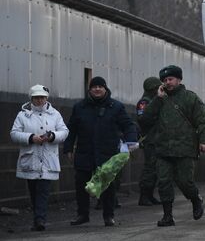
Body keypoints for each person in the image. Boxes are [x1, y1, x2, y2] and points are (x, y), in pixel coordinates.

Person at [140, 65, 205, 226]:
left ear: (179, 79)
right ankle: (168, 216)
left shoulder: (189, 98)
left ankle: (195, 199)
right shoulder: (158, 99)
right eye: (164, 80)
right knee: (164, 182)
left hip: (185, 148)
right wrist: (157, 99)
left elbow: (203, 121)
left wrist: (204, 141)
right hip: (163, 149)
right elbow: (144, 120)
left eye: (170, 79)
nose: (167, 82)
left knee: (185, 181)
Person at [63, 76, 138, 227]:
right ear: (89, 89)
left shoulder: (115, 106)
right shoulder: (80, 107)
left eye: (100, 87)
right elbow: (71, 130)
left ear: (105, 89)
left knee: (108, 186)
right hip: (85, 151)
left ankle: (108, 216)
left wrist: (131, 141)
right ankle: (83, 214)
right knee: (81, 184)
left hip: (107, 152)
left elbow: (128, 125)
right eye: (94, 87)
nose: (97, 89)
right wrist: (68, 148)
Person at [10, 84, 69, 231]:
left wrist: (52, 136)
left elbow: (64, 131)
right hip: (31, 158)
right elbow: (14, 134)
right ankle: (38, 218)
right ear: (31, 98)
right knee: (34, 190)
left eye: (42, 97)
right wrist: (31, 138)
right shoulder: (22, 115)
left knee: (43, 190)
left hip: (48, 159)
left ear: (46, 98)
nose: (39, 100)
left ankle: (40, 220)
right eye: (36, 97)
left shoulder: (55, 114)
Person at [136, 77, 163, 206]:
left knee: (156, 169)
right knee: (150, 168)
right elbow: (143, 119)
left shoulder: (156, 100)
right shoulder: (145, 102)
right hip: (150, 140)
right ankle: (144, 195)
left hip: (157, 139)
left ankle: (150, 195)